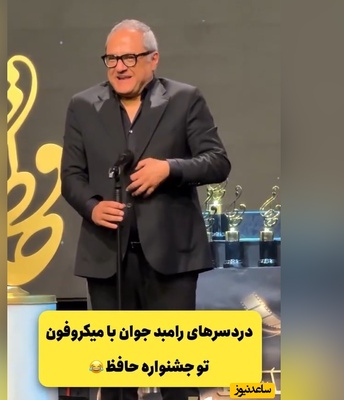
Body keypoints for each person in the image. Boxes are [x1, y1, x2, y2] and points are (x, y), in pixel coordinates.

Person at [61, 19, 231, 400]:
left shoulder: (185, 99)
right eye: (111, 58)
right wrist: (92, 208)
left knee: (175, 375)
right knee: (115, 374)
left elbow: (217, 162)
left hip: (171, 259)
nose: (119, 67)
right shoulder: (83, 106)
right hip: (108, 259)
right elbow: (71, 176)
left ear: (153, 59)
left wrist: (169, 169)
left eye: (129, 58)